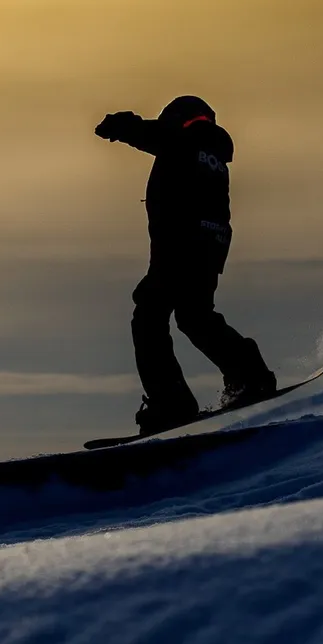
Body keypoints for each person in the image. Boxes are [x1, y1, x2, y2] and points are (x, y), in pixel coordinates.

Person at [95, 95, 275, 435]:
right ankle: (249, 375)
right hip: (210, 246)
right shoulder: (214, 154)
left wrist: (120, 124)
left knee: (148, 316)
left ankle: (171, 402)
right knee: (194, 316)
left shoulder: (185, 140)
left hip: (183, 245)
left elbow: (151, 133)